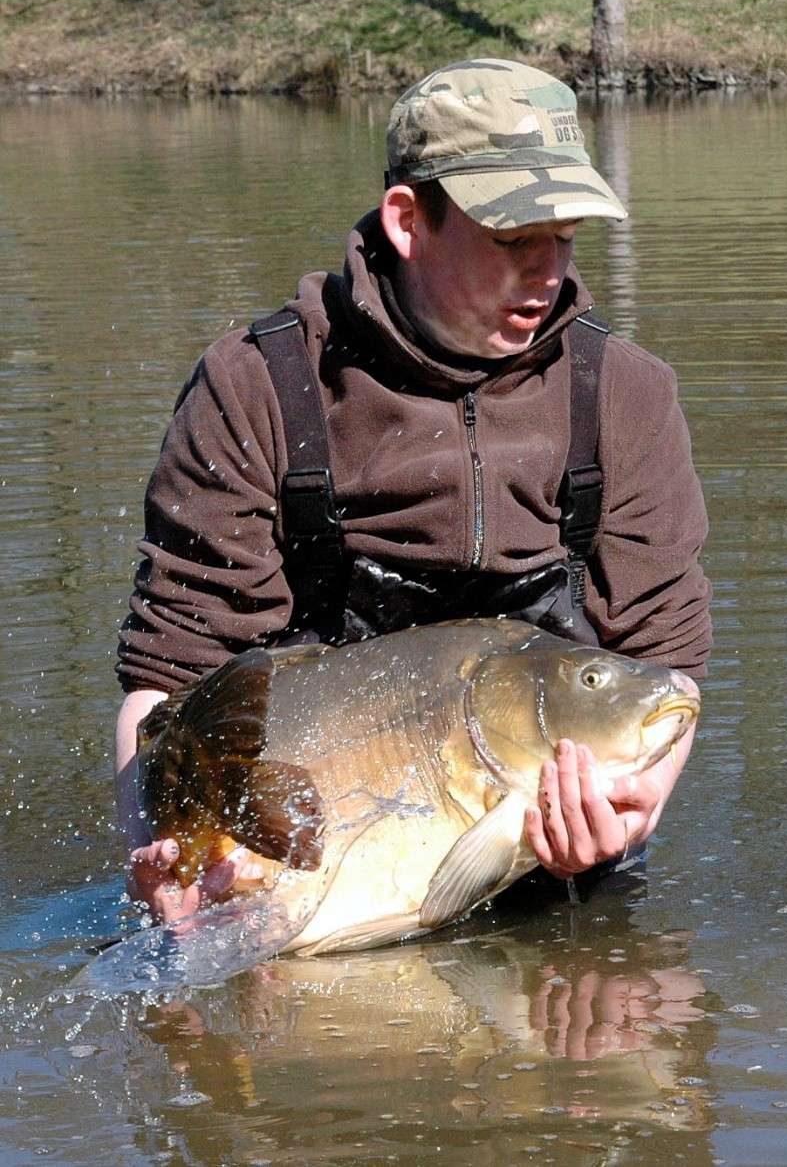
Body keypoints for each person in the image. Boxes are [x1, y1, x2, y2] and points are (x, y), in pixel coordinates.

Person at [114, 57, 710, 925]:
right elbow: (169, 678)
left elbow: (668, 670)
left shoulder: (627, 394)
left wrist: (632, 810)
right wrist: (152, 863)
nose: (547, 273)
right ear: (408, 220)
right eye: (513, 240)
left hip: (552, 863)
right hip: (296, 863)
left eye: (566, 239)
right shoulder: (259, 385)